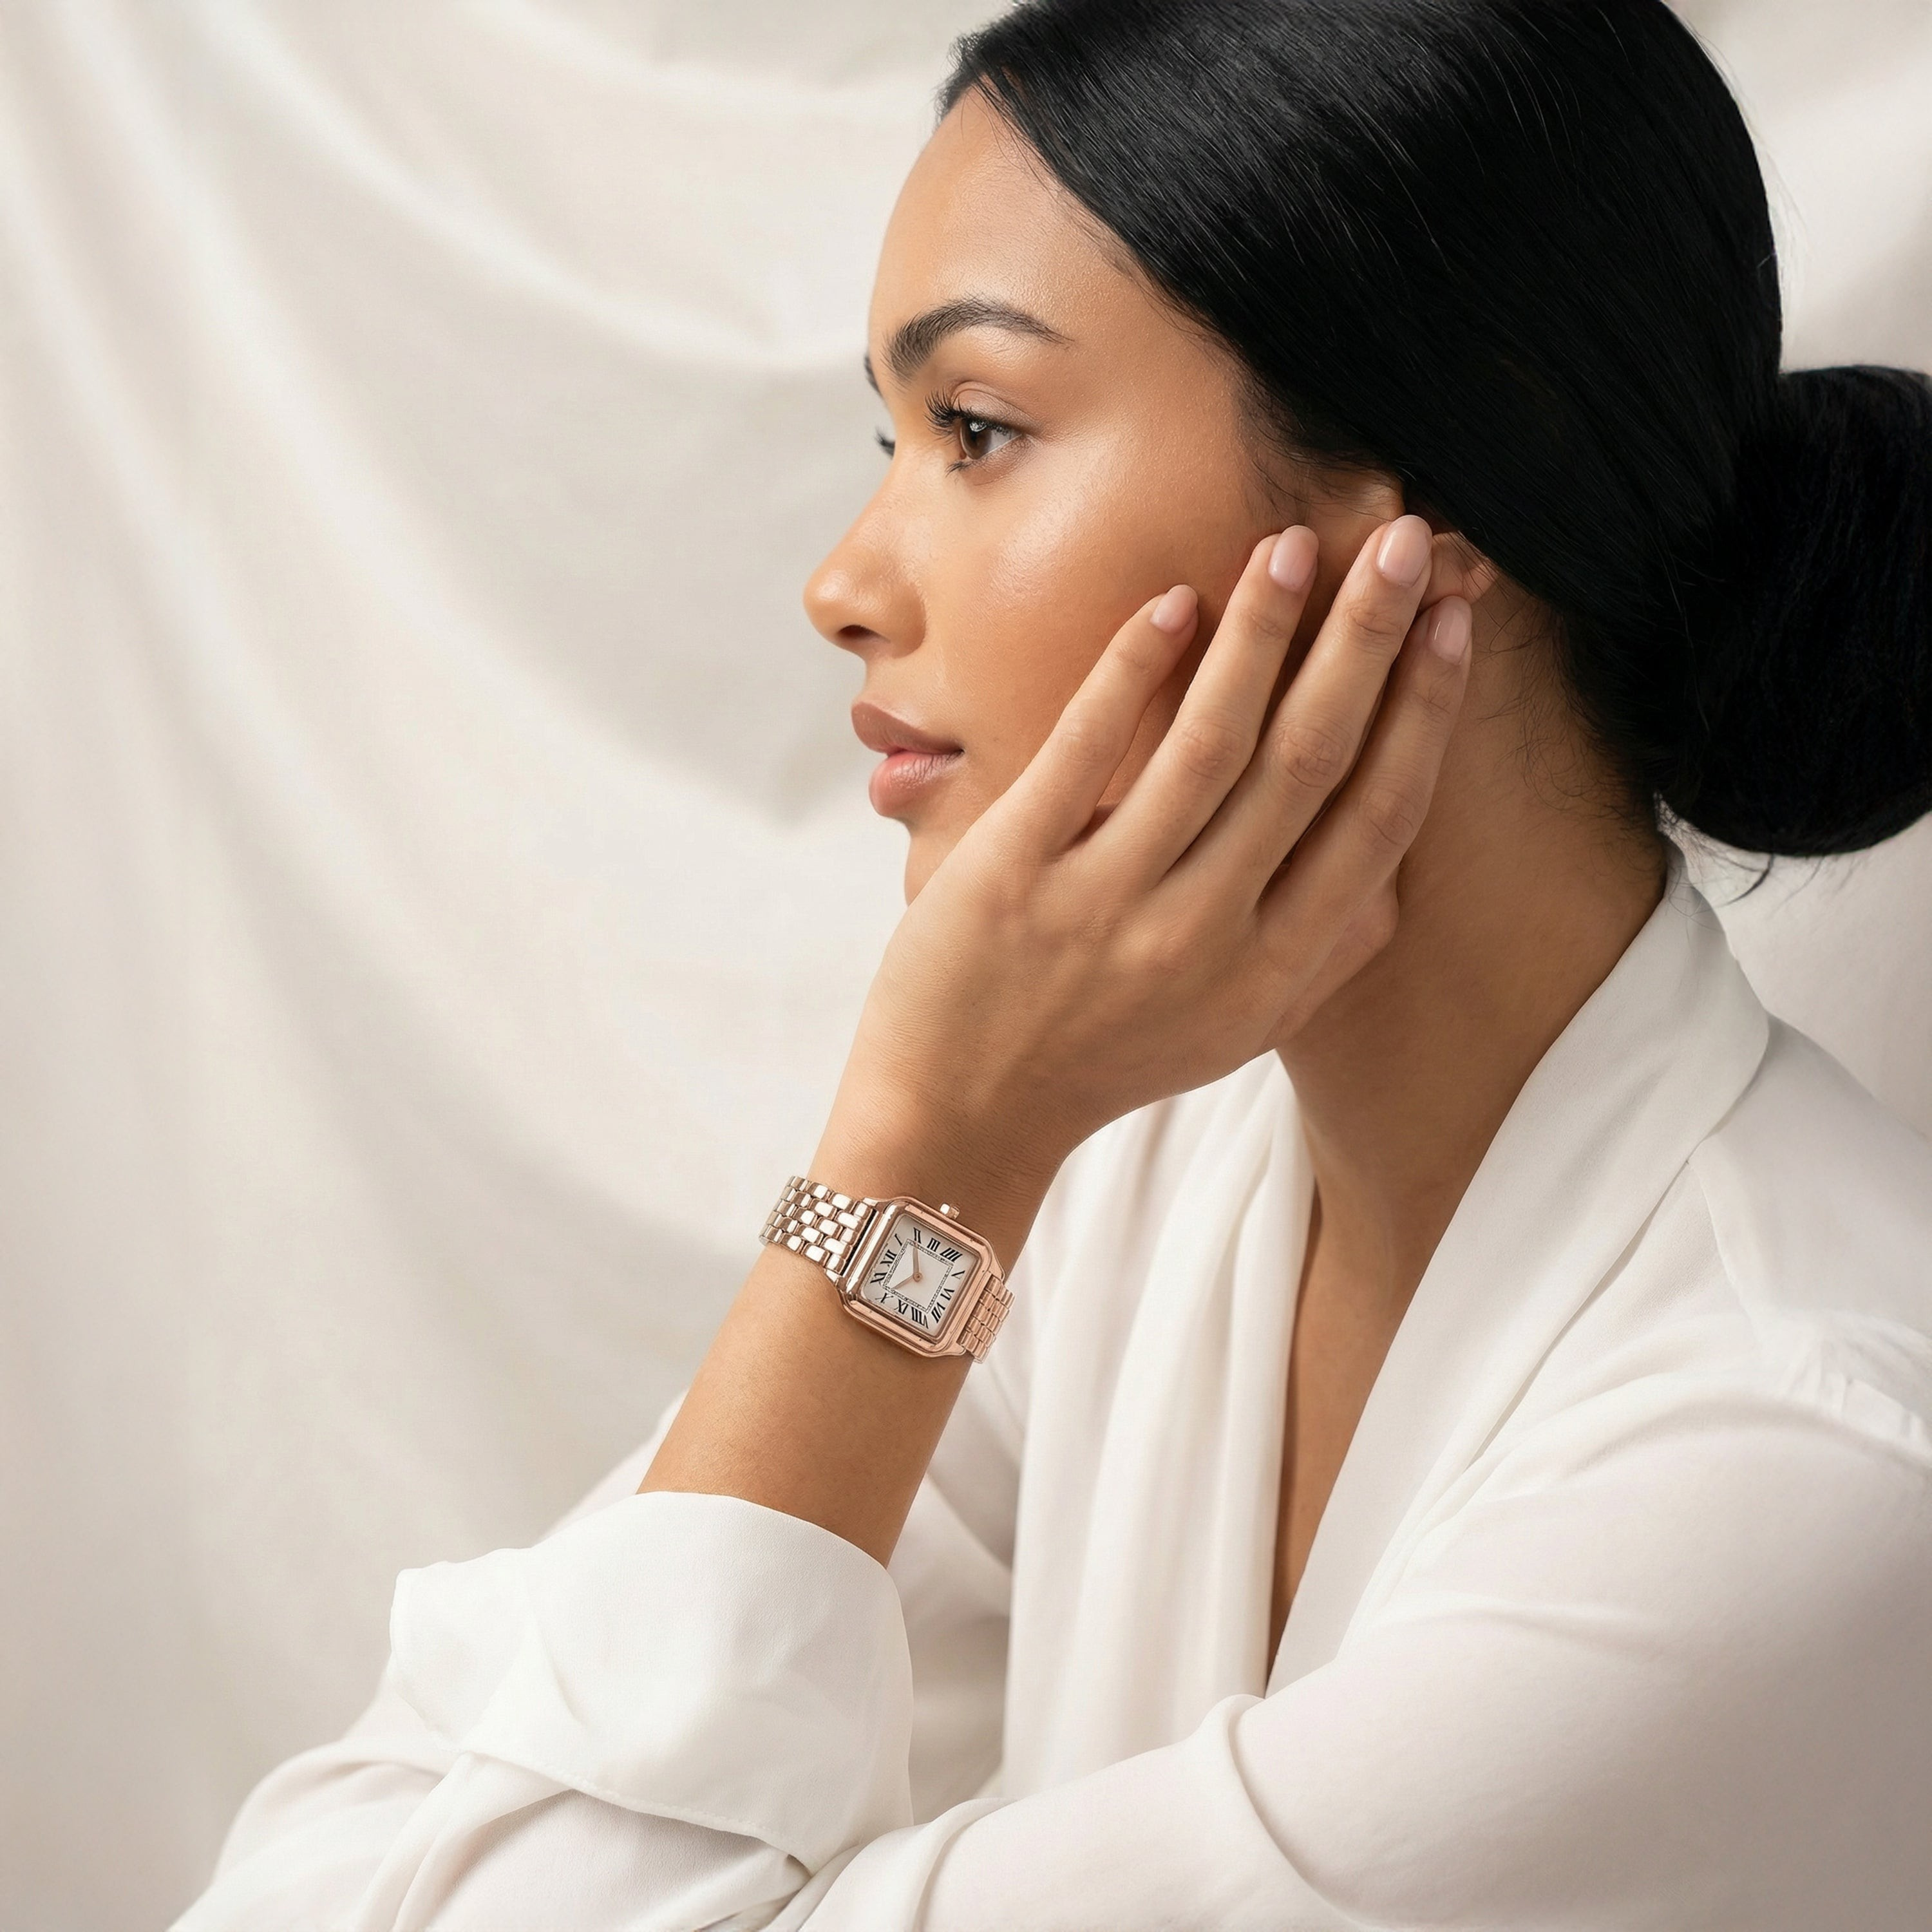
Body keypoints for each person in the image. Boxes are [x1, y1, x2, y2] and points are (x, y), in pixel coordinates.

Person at [178, 1, 1932, 1926]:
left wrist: (926, 1140)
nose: (844, 584)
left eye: (978, 430)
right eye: (897, 438)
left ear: (1433, 507)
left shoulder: (1793, 1475)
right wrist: (962, 1161)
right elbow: (358, 1868)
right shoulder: (1145, 1180)